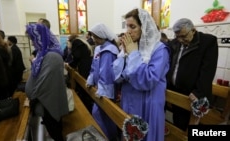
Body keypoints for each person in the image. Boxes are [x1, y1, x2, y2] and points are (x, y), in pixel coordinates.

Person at [112, 8, 170, 141]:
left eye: (132, 26)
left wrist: (133, 54)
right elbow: (117, 76)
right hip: (130, 100)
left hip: (148, 103)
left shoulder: (160, 49)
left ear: (144, 28)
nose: (128, 31)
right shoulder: (134, 46)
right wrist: (124, 54)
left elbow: (149, 80)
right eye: (127, 26)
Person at [166, 18, 218, 131]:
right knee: (179, 123)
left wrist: (199, 91)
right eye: (177, 36)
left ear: (193, 30)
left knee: (194, 126)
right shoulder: (175, 43)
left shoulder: (208, 42)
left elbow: (208, 70)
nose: (180, 40)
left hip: (194, 95)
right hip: (177, 91)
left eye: (183, 36)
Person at [25, 24, 69, 141]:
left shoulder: (52, 56)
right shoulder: (44, 53)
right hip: (44, 101)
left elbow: (44, 83)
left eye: (33, 39)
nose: (33, 43)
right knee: (52, 129)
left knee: (55, 132)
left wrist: (32, 99)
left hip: (48, 102)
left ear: (40, 37)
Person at [86, 23, 119, 140]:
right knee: (99, 115)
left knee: (105, 116)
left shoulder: (110, 50)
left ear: (101, 35)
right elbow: (94, 67)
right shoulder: (99, 48)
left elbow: (106, 72)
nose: (93, 39)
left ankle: (109, 137)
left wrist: (102, 90)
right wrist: (90, 79)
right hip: (98, 88)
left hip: (106, 90)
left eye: (95, 36)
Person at [65, 34, 94, 113]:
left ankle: (86, 107)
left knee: (84, 86)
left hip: (84, 67)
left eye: (67, 42)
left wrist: (69, 64)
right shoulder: (81, 42)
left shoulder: (76, 42)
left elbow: (77, 57)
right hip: (87, 65)